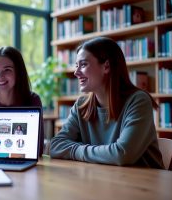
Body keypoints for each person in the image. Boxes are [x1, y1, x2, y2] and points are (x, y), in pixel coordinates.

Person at [49, 37, 163, 168]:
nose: (76, 72)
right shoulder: (81, 105)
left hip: (146, 184)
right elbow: (55, 145)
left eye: (84, 64)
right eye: (76, 66)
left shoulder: (138, 101)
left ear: (106, 66)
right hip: (105, 181)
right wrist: (92, 152)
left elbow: (121, 154)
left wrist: (75, 150)